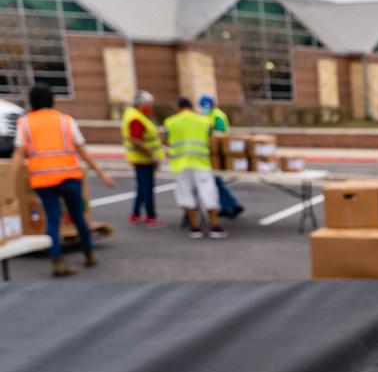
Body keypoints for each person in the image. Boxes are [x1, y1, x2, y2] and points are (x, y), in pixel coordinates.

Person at [11, 85, 115, 277]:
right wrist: (101, 173)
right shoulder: (65, 121)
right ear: (52, 101)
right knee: (77, 216)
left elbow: (18, 154)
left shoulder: (24, 123)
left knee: (53, 219)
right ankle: (88, 253)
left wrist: (10, 181)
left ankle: (57, 261)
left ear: (32, 102)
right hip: (70, 178)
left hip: (43, 180)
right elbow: (82, 150)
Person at [164, 97, 226, 239]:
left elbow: (167, 141)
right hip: (201, 163)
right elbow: (210, 139)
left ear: (178, 108)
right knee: (209, 193)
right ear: (191, 107)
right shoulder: (204, 121)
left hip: (180, 165)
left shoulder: (170, 122)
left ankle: (195, 227)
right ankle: (214, 227)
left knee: (186, 195)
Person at [121, 90, 166, 228]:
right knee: (147, 189)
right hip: (143, 159)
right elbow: (135, 139)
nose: (150, 108)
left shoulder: (135, 115)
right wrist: (152, 154)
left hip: (140, 159)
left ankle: (135, 214)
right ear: (141, 105)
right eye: (149, 105)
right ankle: (150, 216)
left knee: (142, 188)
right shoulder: (136, 119)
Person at [198, 94, 244, 219]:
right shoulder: (208, 116)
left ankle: (232, 204)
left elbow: (220, 135)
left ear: (213, 104)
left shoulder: (217, 116)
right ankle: (227, 206)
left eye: (206, 106)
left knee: (216, 181)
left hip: (217, 154)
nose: (204, 108)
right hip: (213, 153)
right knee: (216, 182)